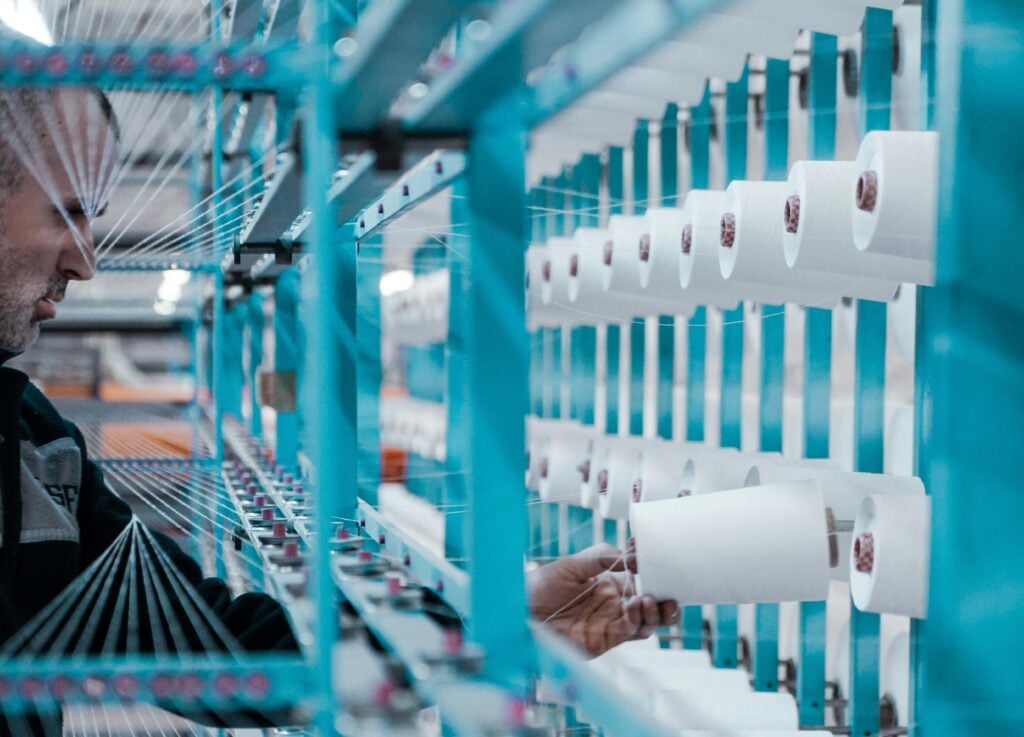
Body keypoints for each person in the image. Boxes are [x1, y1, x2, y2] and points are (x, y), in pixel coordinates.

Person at [0, 86, 677, 734]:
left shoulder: (36, 450)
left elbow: (211, 641)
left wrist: (501, 624)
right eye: (67, 211)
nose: (86, 260)